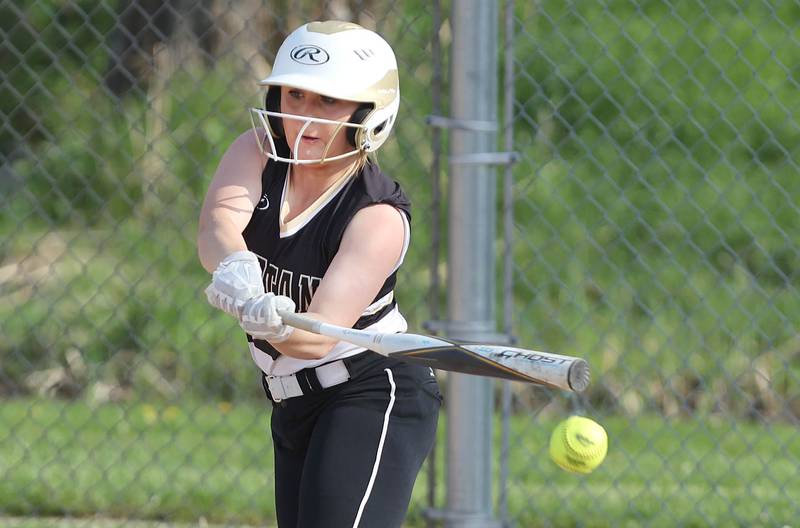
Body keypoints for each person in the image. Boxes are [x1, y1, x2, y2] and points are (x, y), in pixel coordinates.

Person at [197, 20, 441, 528]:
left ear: (368, 116)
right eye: (294, 94)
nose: (302, 117)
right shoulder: (256, 152)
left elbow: (316, 339)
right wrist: (240, 271)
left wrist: (274, 323)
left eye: (327, 102)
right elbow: (217, 227)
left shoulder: (377, 218)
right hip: (292, 401)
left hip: (371, 390)